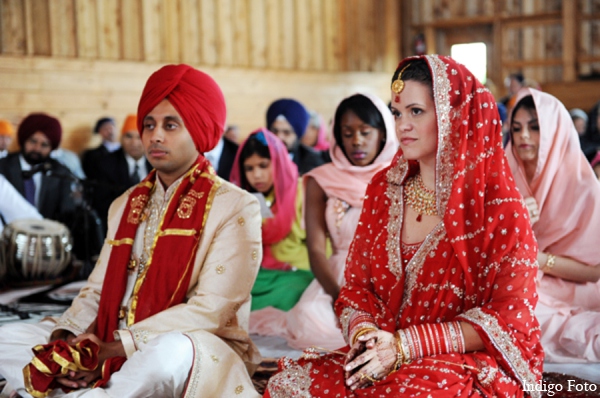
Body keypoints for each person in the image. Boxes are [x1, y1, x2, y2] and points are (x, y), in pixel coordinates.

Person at [265, 55, 543, 397]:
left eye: (416, 112)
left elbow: (508, 317)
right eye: (397, 113)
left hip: (463, 358)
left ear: (452, 116)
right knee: (290, 385)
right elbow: (356, 289)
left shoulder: (498, 207)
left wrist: (404, 346)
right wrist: (366, 338)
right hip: (387, 350)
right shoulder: (385, 189)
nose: (402, 126)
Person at [0, 64, 262, 398]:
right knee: (8, 338)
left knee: (168, 357)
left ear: (198, 130)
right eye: (149, 124)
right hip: (107, 336)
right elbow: (96, 288)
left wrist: (112, 349)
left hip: (188, 342)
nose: (154, 136)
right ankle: (83, 386)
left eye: (170, 125)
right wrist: (67, 344)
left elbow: (212, 310)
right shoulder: (125, 204)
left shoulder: (235, 205)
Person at [249, 93, 398, 350]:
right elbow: (316, 249)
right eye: (347, 133)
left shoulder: (400, 175)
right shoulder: (321, 179)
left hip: (391, 277)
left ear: (382, 134)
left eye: (365, 132)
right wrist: (339, 297)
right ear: (337, 136)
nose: (356, 141)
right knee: (312, 322)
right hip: (338, 279)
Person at [506, 89, 600, 364]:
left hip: (574, 286)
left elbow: (595, 273)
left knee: (526, 313)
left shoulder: (585, 189)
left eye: (535, 128)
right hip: (521, 281)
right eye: (517, 128)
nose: (523, 136)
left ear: (555, 132)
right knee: (505, 307)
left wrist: (540, 261)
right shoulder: (504, 177)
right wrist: (515, 219)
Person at [230, 129, 312, 312]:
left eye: (263, 165)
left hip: (299, 269)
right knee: (231, 289)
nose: (256, 175)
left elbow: (318, 245)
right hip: (263, 272)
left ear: (278, 162)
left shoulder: (302, 191)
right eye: (249, 168)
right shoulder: (252, 198)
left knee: (297, 292)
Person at [0, 113, 76, 223]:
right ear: (24, 140)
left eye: (44, 145)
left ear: (51, 147)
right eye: (33, 141)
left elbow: (66, 212)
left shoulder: (60, 172)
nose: (37, 148)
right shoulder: (3, 166)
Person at [90, 114, 153, 236]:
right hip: (117, 226)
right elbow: (101, 202)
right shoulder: (105, 164)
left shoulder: (157, 163)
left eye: (139, 137)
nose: (134, 142)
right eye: (128, 136)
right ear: (121, 138)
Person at [266, 98, 326, 175]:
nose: (279, 137)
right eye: (274, 131)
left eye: (286, 132)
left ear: (298, 135)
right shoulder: (259, 155)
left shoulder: (312, 160)